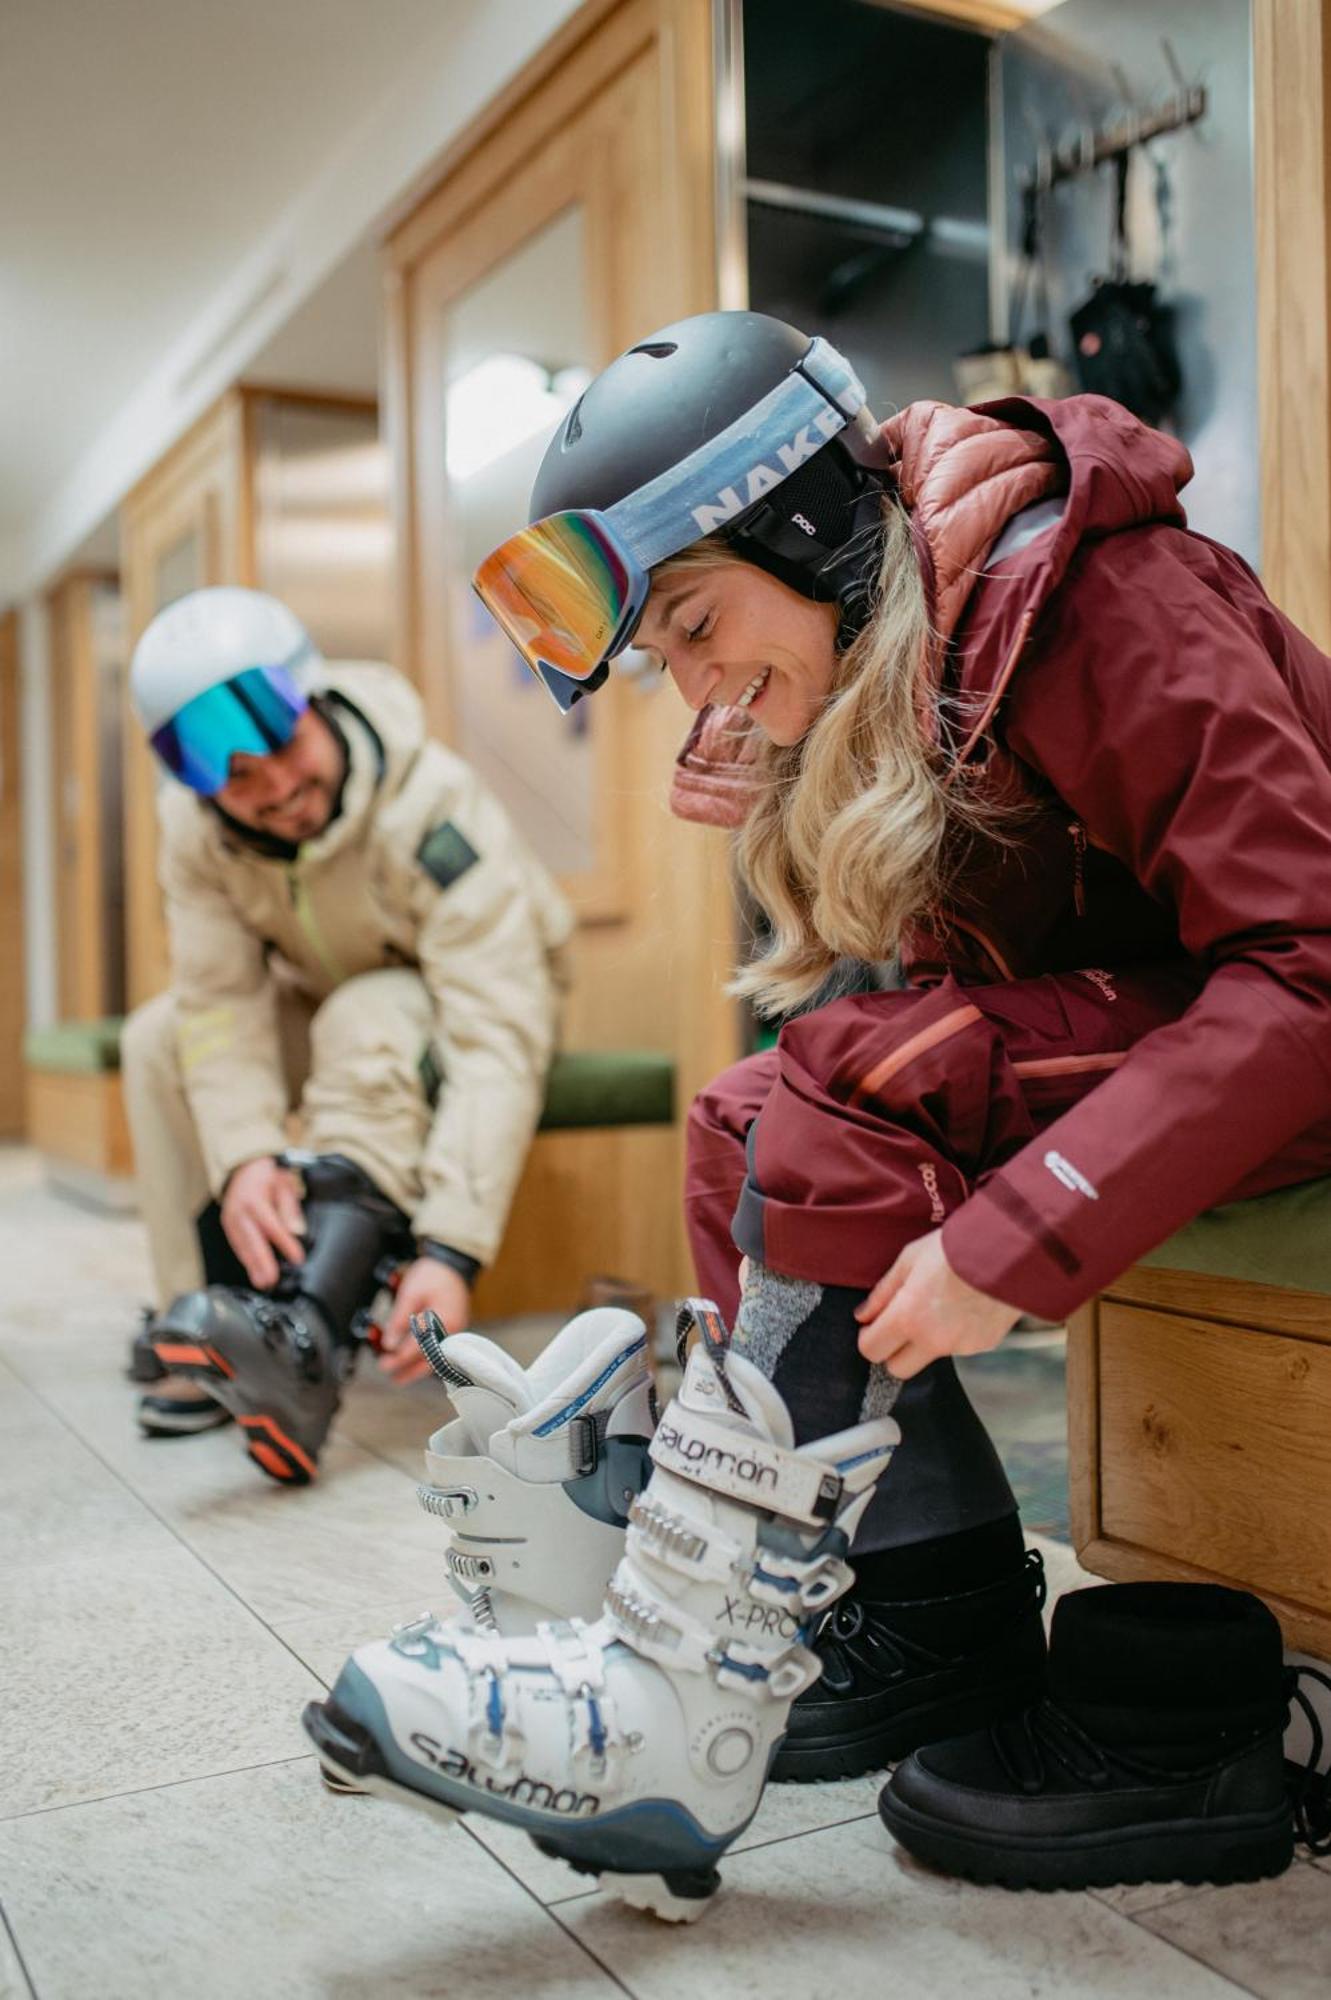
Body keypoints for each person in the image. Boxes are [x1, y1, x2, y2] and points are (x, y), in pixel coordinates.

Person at [413, 307, 1331, 1882]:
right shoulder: (922, 646)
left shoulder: (1106, 598)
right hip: (1194, 1009)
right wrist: (794, 770)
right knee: (744, 1117)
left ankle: (680, 1674)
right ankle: (931, 1608)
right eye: (662, 657)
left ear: (803, 524)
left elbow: (1304, 959)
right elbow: (952, 968)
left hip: (1293, 1004)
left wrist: (1026, 1228)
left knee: (845, 1073)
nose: (691, 681)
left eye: (696, 625)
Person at [123, 586, 572, 1483]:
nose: (278, 790)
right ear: (202, 787)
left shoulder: (432, 807)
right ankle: (211, 1321)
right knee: (157, 1035)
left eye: (284, 747)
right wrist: (248, 1156)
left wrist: (449, 1249)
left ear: (316, 702)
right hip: (331, 1003)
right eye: (238, 778)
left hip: (482, 1007)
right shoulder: (196, 834)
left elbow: (495, 1036)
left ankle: (308, 1341)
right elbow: (219, 1003)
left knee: (370, 1010)